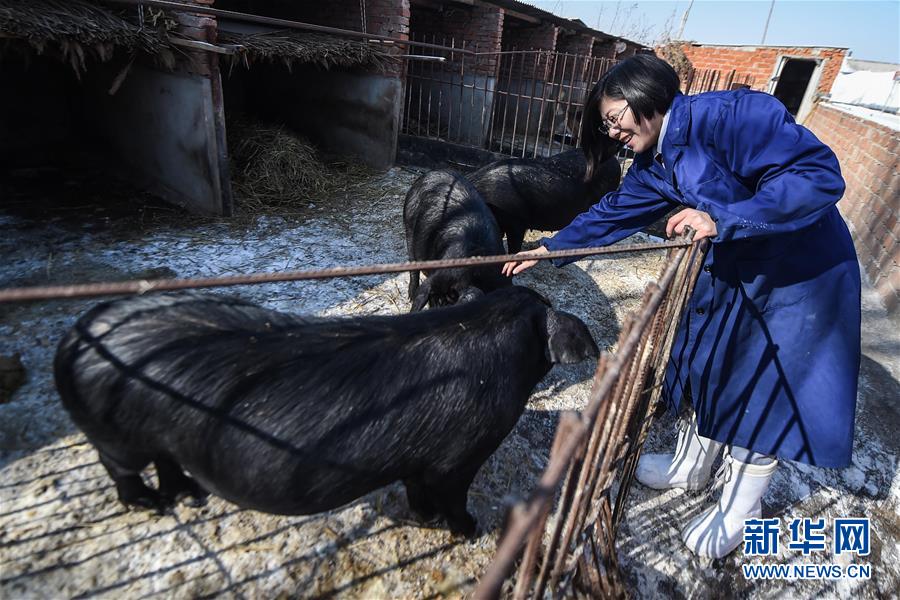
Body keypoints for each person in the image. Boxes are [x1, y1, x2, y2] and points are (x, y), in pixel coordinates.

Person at [503, 54, 861, 559]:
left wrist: (723, 215)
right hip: (737, 265)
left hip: (798, 272)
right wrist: (548, 248)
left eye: (613, 119)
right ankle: (691, 466)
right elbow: (615, 212)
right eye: (604, 124)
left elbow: (817, 176)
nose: (611, 132)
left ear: (646, 96)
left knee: (759, 388)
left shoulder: (736, 116)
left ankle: (741, 513)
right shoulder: (657, 163)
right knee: (704, 363)